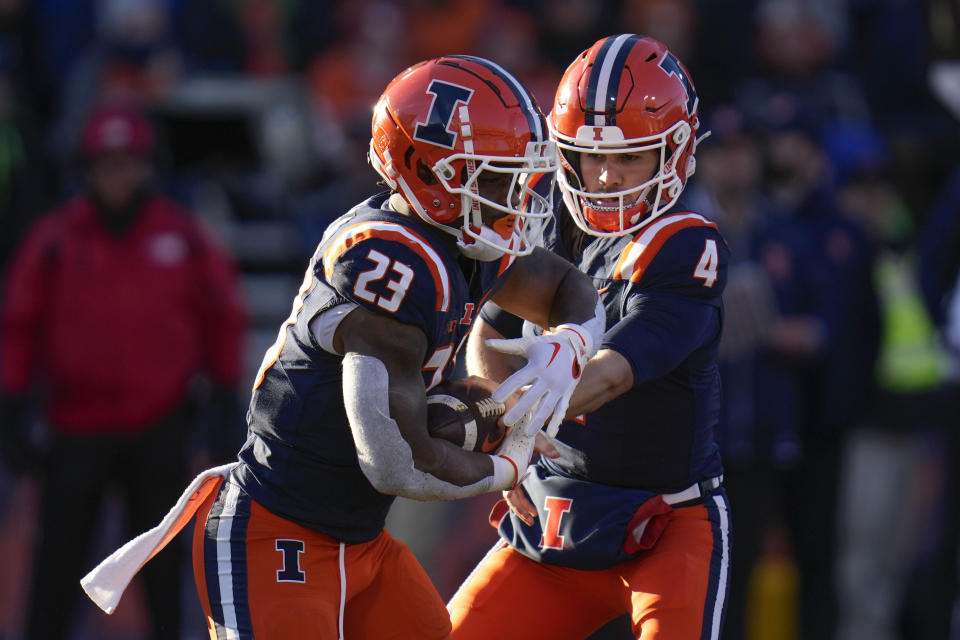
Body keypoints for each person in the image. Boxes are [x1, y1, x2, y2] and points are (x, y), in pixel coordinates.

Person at [81, 55, 604, 639]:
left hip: (363, 542)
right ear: (428, 172)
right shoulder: (390, 263)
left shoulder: (462, 237)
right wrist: (505, 466)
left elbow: (564, 285)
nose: (515, 196)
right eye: (495, 176)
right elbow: (394, 462)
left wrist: (571, 342)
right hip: (277, 537)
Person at [446, 35, 731, 640]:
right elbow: (490, 332)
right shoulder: (543, 214)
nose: (604, 178)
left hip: (666, 520)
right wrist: (503, 433)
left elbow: (611, 373)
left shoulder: (686, 243)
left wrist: (519, 406)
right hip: (556, 512)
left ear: (674, 152)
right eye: (589, 156)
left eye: (630, 158)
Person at [0, 102, 247, 640]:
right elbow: (18, 323)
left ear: (146, 165)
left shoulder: (182, 236)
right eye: (107, 162)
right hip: (74, 426)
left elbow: (223, 318)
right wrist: (13, 405)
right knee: (58, 562)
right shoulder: (55, 240)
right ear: (87, 168)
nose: (118, 175)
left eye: (128, 161)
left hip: (158, 424)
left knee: (162, 572)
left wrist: (225, 398)